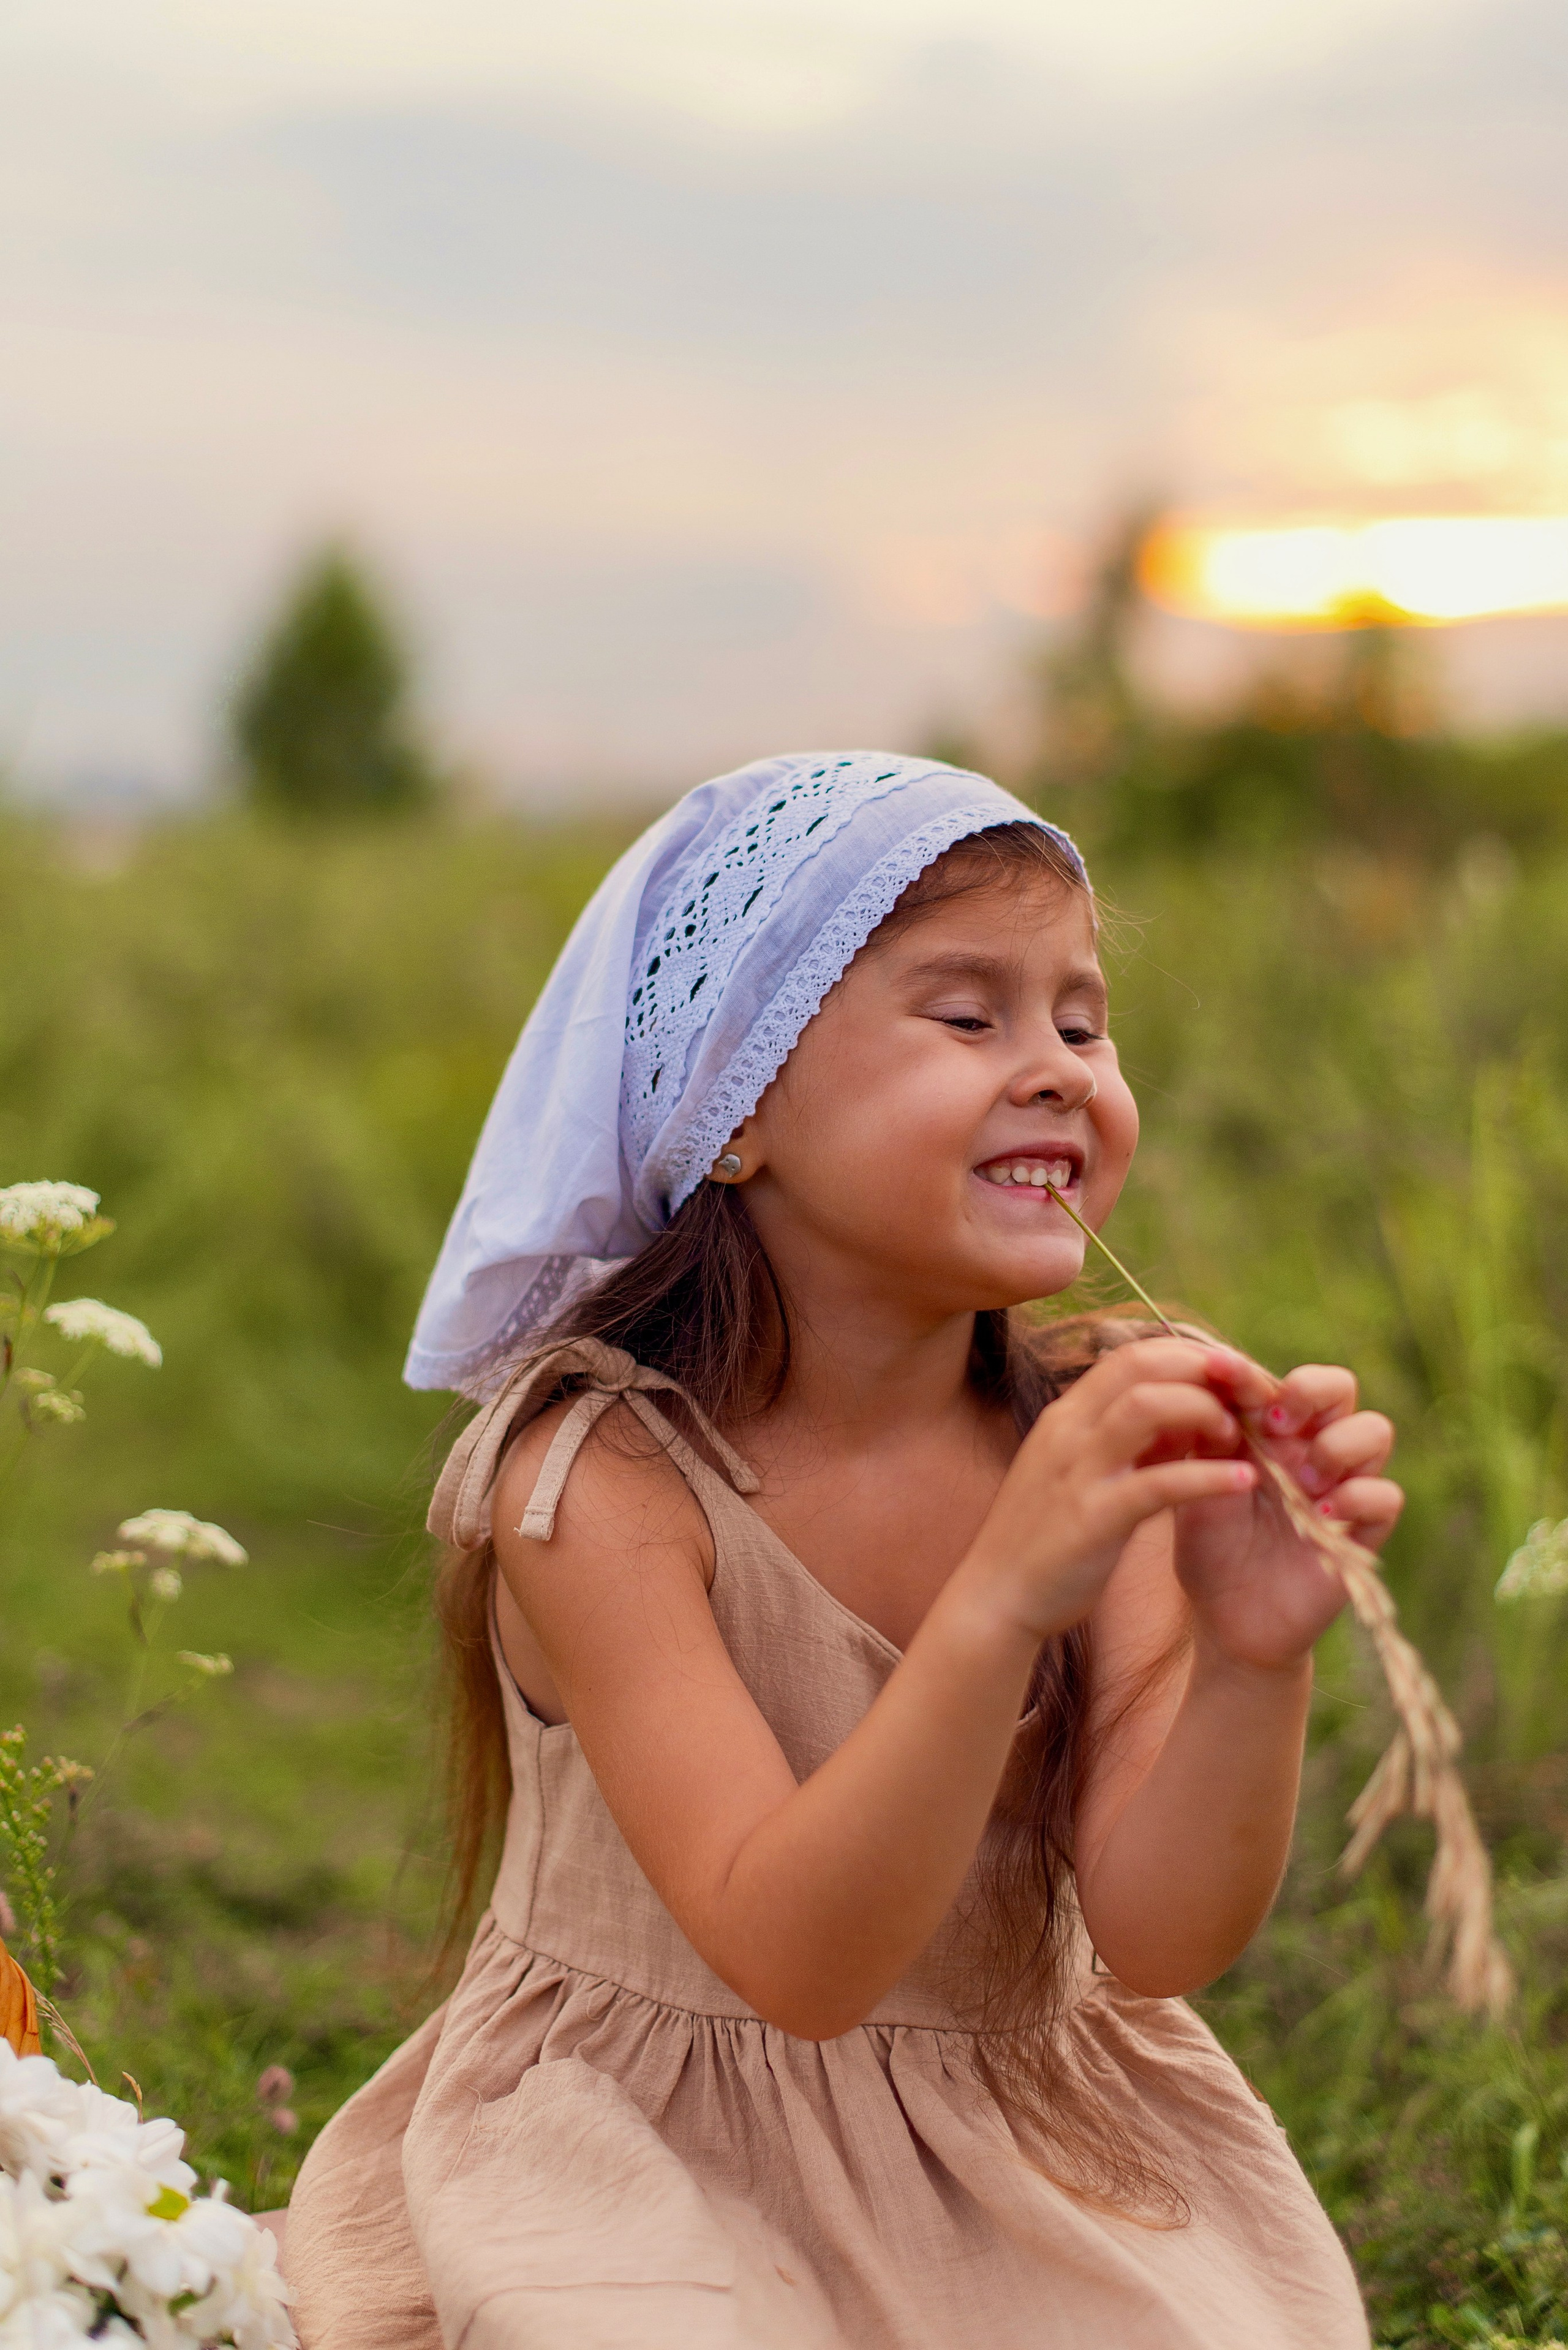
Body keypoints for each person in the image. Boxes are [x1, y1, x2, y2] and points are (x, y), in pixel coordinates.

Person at [285, 750, 1400, 2349]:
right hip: (651, 2143)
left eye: (1082, 1022)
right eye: (968, 1017)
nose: (1058, 1069)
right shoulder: (603, 1480)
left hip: (1023, 2138)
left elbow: (1159, 1940)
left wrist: (1251, 1652)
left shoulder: (1096, 1428)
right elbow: (795, 1963)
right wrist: (1008, 1592)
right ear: (730, 1114)